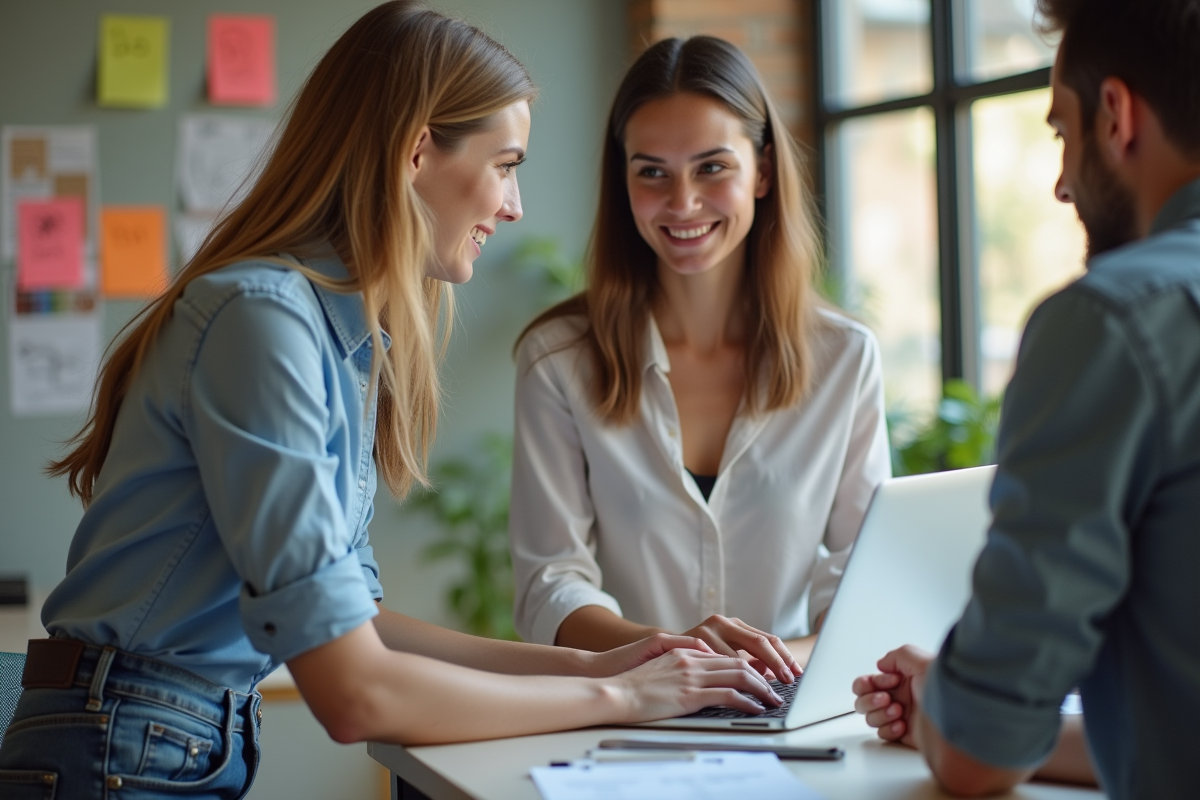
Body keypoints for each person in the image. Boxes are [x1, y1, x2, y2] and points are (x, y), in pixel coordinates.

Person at [0, 4, 782, 798]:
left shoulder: (338, 337)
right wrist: (619, 698)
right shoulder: (262, 322)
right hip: (124, 749)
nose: (514, 207)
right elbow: (355, 691)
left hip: (161, 740)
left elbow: (359, 628)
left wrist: (600, 663)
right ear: (416, 153)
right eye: (506, 164)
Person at [851, 1, 1200, 797]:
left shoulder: (1110, 322)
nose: (1061, 182)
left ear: (1116, 115)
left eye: (1061, 134)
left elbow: (980, 762)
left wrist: (952, 702)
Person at [509, 36, 891, 682]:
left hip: (791, 701)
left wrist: (769, 667)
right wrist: (675, 656)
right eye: (652, 171)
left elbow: (864, 570)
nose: (682, 202)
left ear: (763, 170)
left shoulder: (845, 359)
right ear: (622, 179)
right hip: (628, 712)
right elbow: (550, 583)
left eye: (712, 167)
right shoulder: (558, 361)